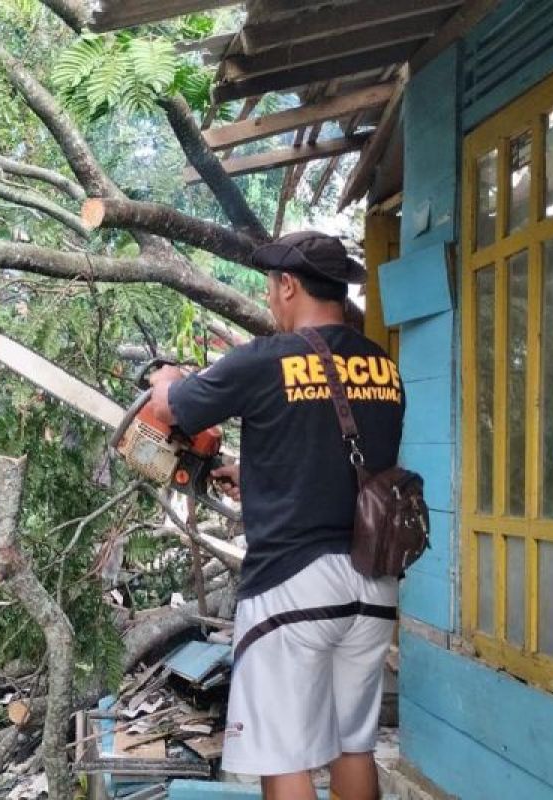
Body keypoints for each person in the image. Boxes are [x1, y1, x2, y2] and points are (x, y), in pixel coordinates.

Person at [146, 231, 405, 800]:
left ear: (288, 285)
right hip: (373, 584)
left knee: (283, 755)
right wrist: (259, 476)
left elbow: (173, 407)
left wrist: (165, 379)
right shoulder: (383, 367)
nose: (269, 301)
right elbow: (340, 458)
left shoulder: (267, 359)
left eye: (270, 289)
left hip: (293, 586)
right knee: (352, 745)